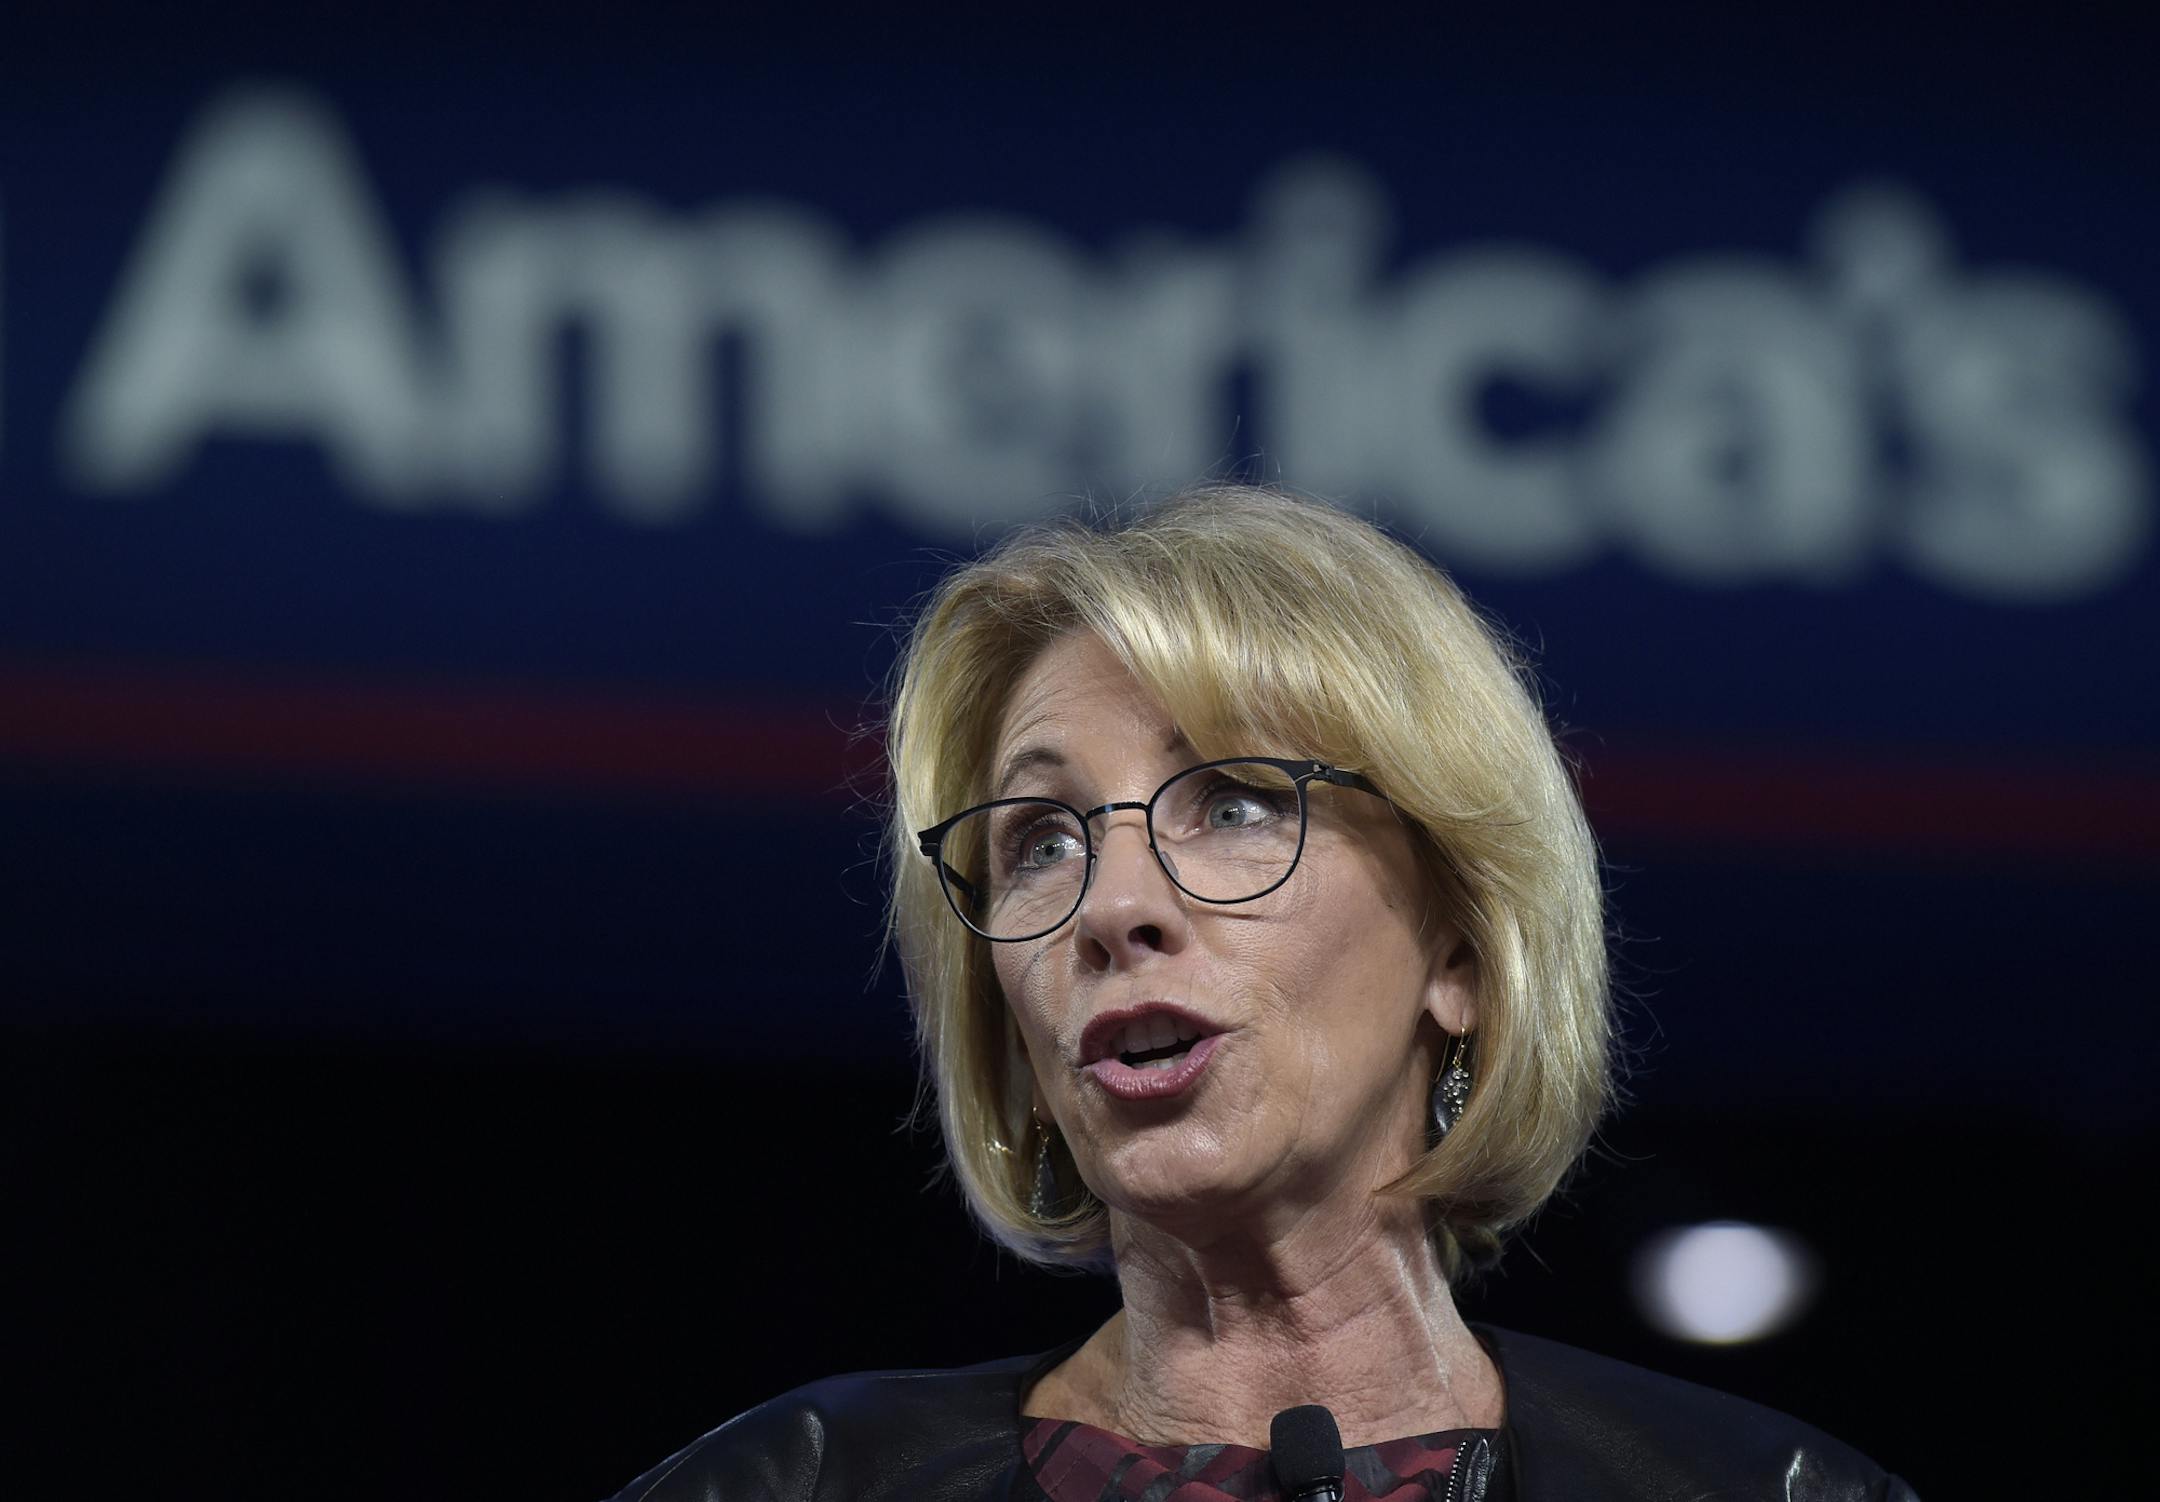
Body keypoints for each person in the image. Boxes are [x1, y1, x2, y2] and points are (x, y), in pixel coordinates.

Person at [605, 485, 1916, 1501]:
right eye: (1040, 839)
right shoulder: (799, 1481)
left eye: (1232, 802)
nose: (1115, 905)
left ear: (1459, 950)